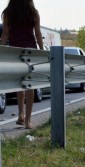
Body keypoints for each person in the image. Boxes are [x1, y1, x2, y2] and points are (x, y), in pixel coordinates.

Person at [1, 0, 43, 129]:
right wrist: (42, 51)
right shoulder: (33, 12)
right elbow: (37, 33)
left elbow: (5, 34)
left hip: (15, 51)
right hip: (30, 50)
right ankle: (28, 120)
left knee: (20, 83)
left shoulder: (8, 12)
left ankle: (21, 115)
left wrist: (1, 50)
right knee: (30, 84)